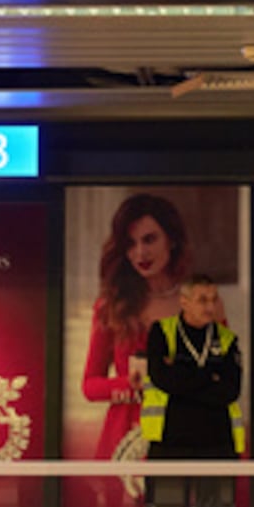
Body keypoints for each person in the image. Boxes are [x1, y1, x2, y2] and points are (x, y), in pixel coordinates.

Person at [139, 274, 244, 507]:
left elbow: (229, 390)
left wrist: (185, 377)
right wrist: (207, 378)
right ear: (183, 301)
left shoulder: (227, 339)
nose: (209, 306)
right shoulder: (161, 333)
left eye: (213, 299)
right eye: (202, 299)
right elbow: (161, 377)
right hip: (170, 450)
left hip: (217, 450)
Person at [82, 193, 191, 462]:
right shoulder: (112, 306)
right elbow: (90, 386)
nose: (140, 253)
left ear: (171, 240)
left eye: (149, 240)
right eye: (130, 244)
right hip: (127, 439)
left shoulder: (200, 304)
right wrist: (132, 386)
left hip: (186, 432)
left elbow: (222, 378)